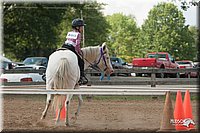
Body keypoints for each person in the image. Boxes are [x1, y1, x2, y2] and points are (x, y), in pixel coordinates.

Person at [61, 18, 87, 85]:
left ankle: (46, 74)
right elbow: (77, 45)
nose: (82, 29)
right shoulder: (78, 34)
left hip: (64, 46)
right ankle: (81, 77)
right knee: (81, 62)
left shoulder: (70, 33)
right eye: (81, 27)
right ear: (77, 27)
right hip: (71, 48)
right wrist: (79, 52)